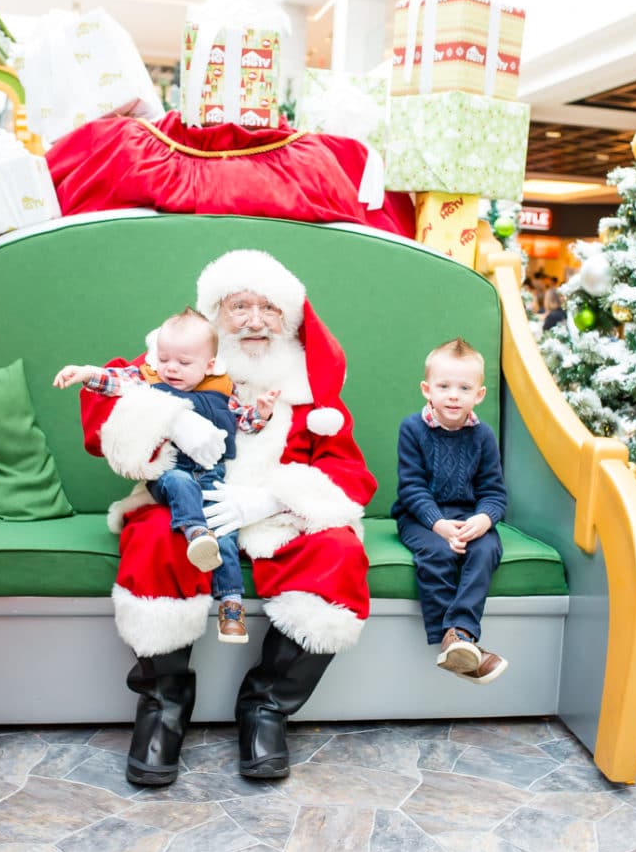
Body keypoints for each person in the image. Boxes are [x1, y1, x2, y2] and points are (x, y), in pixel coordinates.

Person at [77, 249, 377, 786]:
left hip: (271, 516)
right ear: (216, 314)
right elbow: (108, 430)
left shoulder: (310, 395)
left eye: (269, 308)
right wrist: (168, 413)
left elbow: (348, 476)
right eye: (240, 306)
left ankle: (266, 708)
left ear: (292, 321)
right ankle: (162, 707)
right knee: (151, 538)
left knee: (338, 552)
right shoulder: (174, 365)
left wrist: (270, 500)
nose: (255, 321)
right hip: (188, 506)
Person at [54, 307, 279, 645]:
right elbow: (115, 382)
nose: (171, 368)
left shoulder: (224, 388)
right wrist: (85, 372)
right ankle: (194, 530)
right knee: (178, 483)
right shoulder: (149, 378)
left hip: (213, 478)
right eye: (164, 358)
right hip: (169, 473)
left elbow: (242, 423)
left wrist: (261, 413)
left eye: (183, 363)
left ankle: (231, 607)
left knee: (228, 537)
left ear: (209, 364)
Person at [392, 337, 508, 684]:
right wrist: (439, 524)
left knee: (487, 548)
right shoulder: (413, 429)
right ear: (427, 389)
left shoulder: (483, 436)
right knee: (438, 553)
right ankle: (461, 644)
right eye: (444, 386)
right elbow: (410, 489)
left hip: (468, 515)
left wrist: (483, 519)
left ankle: (458, 634)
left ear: (479, 394)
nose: (453, 395)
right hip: (420, 517)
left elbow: (494, 492)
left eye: (464, 387)